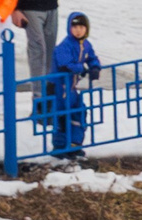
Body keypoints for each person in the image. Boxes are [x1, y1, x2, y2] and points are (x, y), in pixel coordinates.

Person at [49, 10, 101, 157]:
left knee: (79, 112)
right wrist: (81, 69)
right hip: (60, 87)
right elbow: (65, 64)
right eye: (75, 27)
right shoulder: (65, 45)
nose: (78, 31)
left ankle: (75, 144)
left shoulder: (86, 44)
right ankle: (60, 147)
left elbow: (91, 57)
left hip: (72, 87)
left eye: (81, 27)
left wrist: (95, 67)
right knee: (62, 115)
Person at [15, 0, 59, 92]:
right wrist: (14, 9)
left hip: (52, 7)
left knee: (50, 52)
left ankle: (48, 94)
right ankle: (38, 96)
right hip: (30, 8)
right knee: (38, 50)